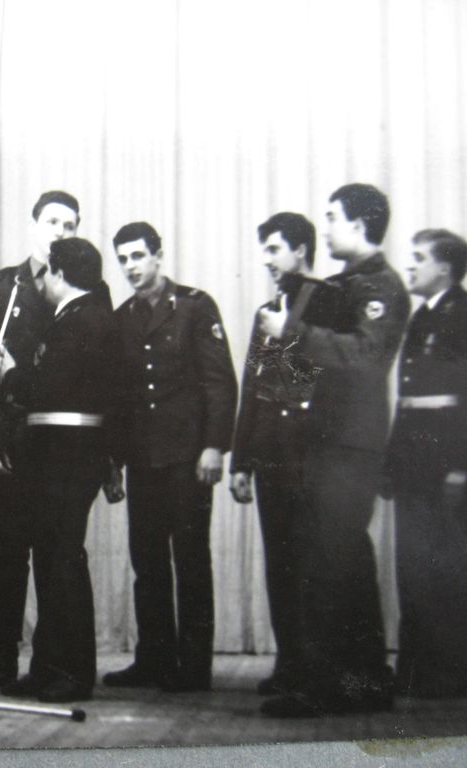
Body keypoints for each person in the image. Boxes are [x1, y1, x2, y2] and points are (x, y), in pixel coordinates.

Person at [259, 183, 410, 716]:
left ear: (360, 224)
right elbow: (305, 374)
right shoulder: (343, 285)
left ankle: (331, 685)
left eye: (332, 217)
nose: (324, 228)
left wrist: (292, 330)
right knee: (339, 562)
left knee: (330, 564)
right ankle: (361, 682)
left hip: (350, 445)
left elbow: (365, 357)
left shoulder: (381, 286)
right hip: (326, 442)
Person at [0, 237, 127, 703]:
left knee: (63, 559)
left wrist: (10, 373)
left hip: (69, 455)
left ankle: (74, 672)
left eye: (48, 272)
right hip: (58, 454)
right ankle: (48, 667)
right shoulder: (79, 317)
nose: (44, 280)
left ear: (61, 273)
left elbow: (50, 389)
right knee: (52, 559)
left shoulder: (85, 319)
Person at [104, 221, 237, 693]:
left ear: (158, 256)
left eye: (138, 256)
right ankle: (154, 660)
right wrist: (113, 460)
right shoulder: (122, 317)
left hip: (187, 457)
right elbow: (118, 398)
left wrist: (214, 445)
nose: (130, 267)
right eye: (123, 259)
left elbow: (219, 381)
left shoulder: (195, 307)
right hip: (143, 457)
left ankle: (194, 667)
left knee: (191, 561)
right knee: (148, 563)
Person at [0, 189, 81, 687]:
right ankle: (2, 659)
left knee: (54, 554)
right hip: (12, 439)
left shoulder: (84, 285)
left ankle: (48, 662)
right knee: (9, 551)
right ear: (33, 225)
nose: (60, 232)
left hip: (59, 443)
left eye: (70, 225)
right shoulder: (2, 287)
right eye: (52, 222)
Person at [229, 213, 320, 695]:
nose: (267, 259)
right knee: (279, 562)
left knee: (307, 564)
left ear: (301, 250)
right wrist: (241, 462)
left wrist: (286, 333)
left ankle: (311, 667)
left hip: (308, 456)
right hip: (269, 456)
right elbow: (254, 387)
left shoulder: (325, 303)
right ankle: (290, 662)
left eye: (276, 249)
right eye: (264, 250)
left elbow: (317, 377)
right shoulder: (267, 310)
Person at [384, 228, 467, 698]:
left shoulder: (463, 315)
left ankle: (450, 675)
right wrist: (392, 461)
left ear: (445, 268)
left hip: (446, 463)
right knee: (414, 569)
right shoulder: (421, 317)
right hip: (413, 460)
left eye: (419, 258)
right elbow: (408, 397)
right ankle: (416, 670)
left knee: (447, 567)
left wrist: (461, 467)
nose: (410, 266)